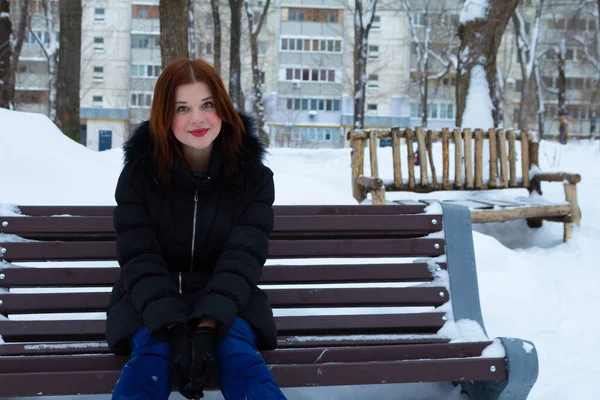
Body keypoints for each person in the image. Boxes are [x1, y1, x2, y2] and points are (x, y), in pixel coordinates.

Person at [106, 58, 287, 400]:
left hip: (230, 302)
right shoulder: (138, 177)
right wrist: (172, 327)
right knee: (150, 360)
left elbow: (242, 258)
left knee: (241, 360)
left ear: (223, 108)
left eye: (207, 104)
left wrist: (208, 326)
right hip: (148, 303)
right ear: (164, 115)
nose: (197, 119)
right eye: (182, 108)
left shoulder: (254, 179)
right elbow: (138, 257)